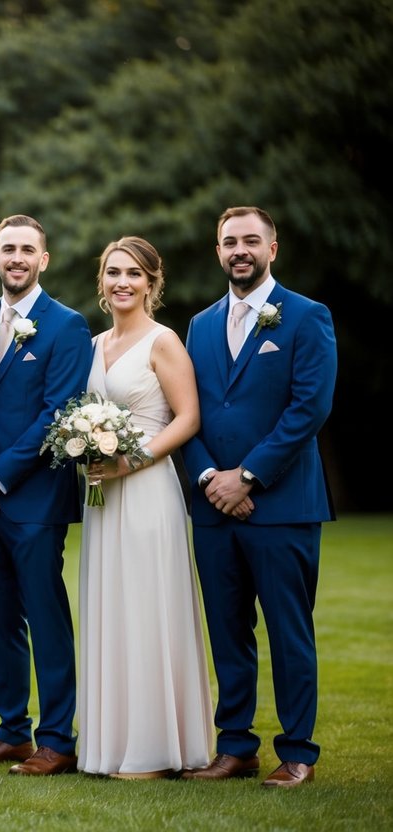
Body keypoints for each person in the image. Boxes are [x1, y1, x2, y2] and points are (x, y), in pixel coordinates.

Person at [181, 207, 336, 788]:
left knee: (289, 632)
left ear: (273, 248)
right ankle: (235, 746)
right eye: (229, 241)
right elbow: (187, 412)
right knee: (227, 631)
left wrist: (246, 477)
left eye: (251, 240)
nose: (239, 250)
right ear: (218, 251)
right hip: (212, 509)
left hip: (282, 505)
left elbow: (309, 408)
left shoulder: (307, 316)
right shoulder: (199, 325)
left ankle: (297, 752)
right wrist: (208, 479)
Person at [76, 236, 213, 779]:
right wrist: (84, 451)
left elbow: (188, 418)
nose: (122, 282)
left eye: (134, 273)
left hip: (148, 490)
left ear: (152, 283)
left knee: (146, 607)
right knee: (111, 608)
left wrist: (129, 462)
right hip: (102, 498)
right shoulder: (93, 344)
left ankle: (155, 750)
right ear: (102, 281)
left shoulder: (163, 341)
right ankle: (111, 745)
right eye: (113, 272)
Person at [0, 215, 91, 776]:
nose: (16, 257)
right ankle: (12, 729)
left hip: (35, 499)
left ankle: (57, 738)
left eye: (27, 250)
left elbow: (55, 415)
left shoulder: (67, 326)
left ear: (44, 259)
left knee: (45, 617)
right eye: (7, 249)